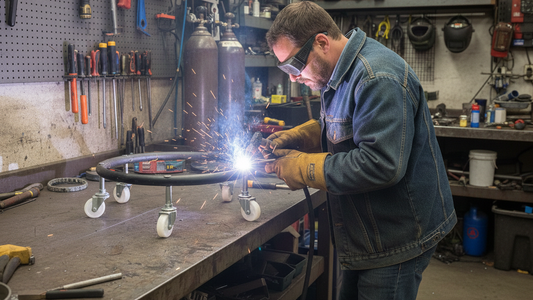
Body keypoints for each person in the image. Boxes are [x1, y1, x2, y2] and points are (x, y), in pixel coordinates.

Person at [263, 2, 457, 299]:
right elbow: (352, 126)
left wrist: (303, 167)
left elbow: (380, 164)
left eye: (294, 65)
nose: (292, 77)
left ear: (322, 42)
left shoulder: (377, 77)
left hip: (395, 238)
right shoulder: (339, 73)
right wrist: (301, 137)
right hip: (365, 232)